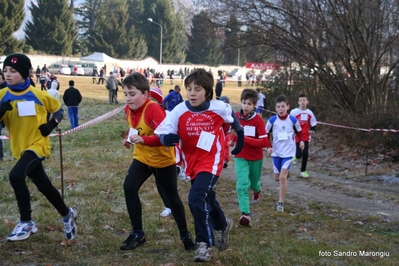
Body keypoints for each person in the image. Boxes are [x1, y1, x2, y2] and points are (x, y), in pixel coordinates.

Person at [155, 68, 245, 262]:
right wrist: (166, 139)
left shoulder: (218, 107)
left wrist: (241, 139)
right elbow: (163, 133)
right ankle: (222, 224)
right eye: (189, 89)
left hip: (212, 159)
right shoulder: (179, 110)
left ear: (207, 91)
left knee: (196, 197)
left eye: (197, 89)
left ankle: (204, 243)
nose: (192, 93)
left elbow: (233, 118)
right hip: (192, 162)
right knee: (206, 196)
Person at [1, 54, 77, 242]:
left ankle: (26, 222)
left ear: (25, 73)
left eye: (13, 71)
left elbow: (58, 110)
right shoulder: (2, 95)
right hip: (19, 147)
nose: (8, 74)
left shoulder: (39, 95)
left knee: (16, 176)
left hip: (37, 145)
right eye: (5, 71)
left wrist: (51, 125)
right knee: (44, 186)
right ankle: (67, 214)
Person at [120, 72, 196, 252]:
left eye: (132, 94)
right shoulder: (128, 109)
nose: (128, 99)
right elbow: (134, 128)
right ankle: (138, 233)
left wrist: (143, 140)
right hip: (142, 157)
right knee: (129, 187)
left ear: (145, 94)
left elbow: (166, 137)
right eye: (125, 94)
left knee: (171, 199)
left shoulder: (154, 109)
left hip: (162, 160)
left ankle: (185, 234)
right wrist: (129, 138)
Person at [231, 89, 271, 227]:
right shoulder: (236, 116)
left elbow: (264, 142)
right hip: (240, 156)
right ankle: (245, 214)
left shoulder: (258, 121)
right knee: (242, 184)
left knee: (253, 184)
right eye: (244, 103)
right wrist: (232, 139)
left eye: (249, 103)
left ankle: (258, 189)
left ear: (254, 105)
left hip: (255, 158)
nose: (246, 106)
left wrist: (245, 139)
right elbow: (233, 132)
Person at [148, 87, 188, 217]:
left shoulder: (168, 115)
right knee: (159, 182)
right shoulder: (146, 114)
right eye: (148, 99)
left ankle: (171, 207)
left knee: (167, 183)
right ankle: (168, 205)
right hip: (155, 154)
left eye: (152, 99)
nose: (149, 102)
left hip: (170, 152)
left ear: (159, 101)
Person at [265, 95, 303, 213]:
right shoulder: (272, 120)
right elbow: (265, 134)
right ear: (275, 109)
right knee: (277, 178)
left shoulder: (292, 120)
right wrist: (269, 146)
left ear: (288, 107)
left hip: (288, 153)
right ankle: (285, 174)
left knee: (282, 178)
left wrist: (301, 141)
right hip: (276, 153)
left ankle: (280, 202)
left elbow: (300, 131)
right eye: (278, 107)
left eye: (283, 106)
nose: (281, 109)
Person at [290, 94, 317, 178]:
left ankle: (303, 171)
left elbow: (313, 123)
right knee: (298, 154)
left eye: (304, 100)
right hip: (297, 135)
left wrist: (313, 130)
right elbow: (289, 122)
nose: (302, 102)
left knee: (305, 154)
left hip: (306, 136)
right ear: (298, 102)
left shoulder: (310, 113)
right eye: (301, 100)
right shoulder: (294, 112)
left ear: (307, 102)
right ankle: (296, 157)